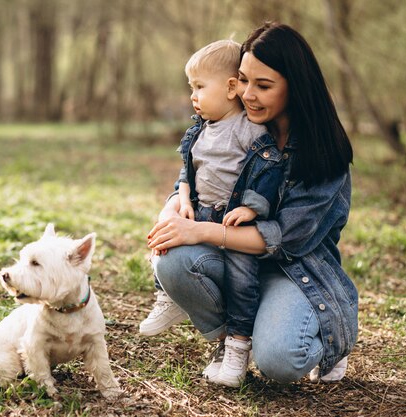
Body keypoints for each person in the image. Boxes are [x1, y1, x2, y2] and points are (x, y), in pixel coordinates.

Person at [146, 21, 357, 387]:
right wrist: (174, 208)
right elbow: (202, 178)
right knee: (173, 260)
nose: (247, 94)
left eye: (263, 85)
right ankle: (232, 342)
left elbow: (286, 239)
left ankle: (324, 338)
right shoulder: (234, 124)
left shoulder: (323, 152)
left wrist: (200, 229)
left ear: (295, 87)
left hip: (294, 271)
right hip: (236, 262)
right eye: (242, 80)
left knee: (279, 362)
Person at [138, 39, 286, 387]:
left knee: (241, 283)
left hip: (232, 221)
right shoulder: (199, 130)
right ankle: (168, 295)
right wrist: (182, 199)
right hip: (201, 211)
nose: (193, 96)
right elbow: (188, 171)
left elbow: (269, 170)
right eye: (192, 88)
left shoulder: (250, 131)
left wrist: (253, 207)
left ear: (231, 88)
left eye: (200, 87)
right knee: (165, 242)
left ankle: (236, 349)